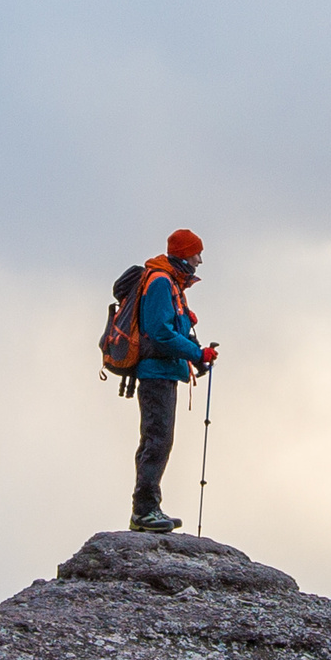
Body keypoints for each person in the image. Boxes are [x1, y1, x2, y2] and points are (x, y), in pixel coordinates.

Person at [129, 228, 219, 533]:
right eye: (196, 253)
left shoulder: (169, 282)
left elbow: (169, 332)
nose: (200, 260)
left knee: (157, 439)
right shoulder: (160, 282)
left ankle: (148, 507)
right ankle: (144, 511)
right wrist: (196, 352)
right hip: (155, 373)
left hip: (163, 372)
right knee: (158, 440)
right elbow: (161, 333)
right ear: (183, 254)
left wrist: (196, 356)